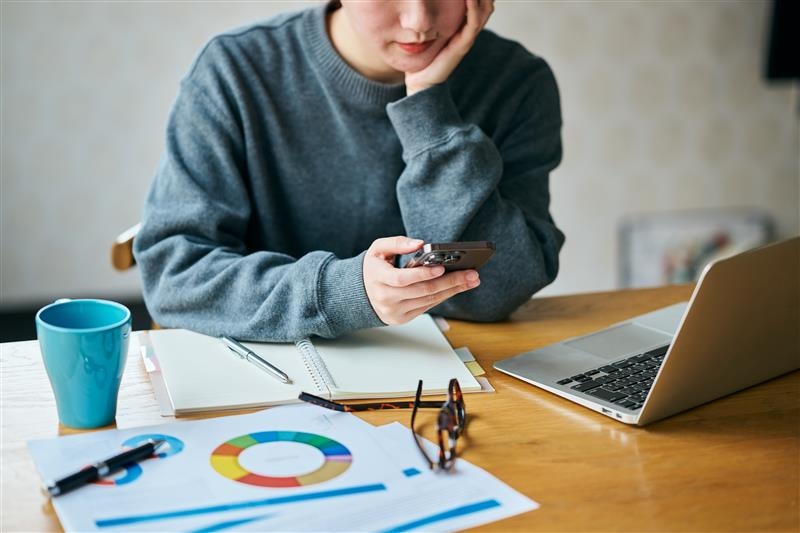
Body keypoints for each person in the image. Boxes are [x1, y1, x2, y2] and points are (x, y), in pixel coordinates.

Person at [133, 0, 564, 342]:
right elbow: (176, 277)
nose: (419, 20)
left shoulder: (518, 82)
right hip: (264, 373)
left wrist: (428, 111)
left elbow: (501, 288)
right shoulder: (235, 69)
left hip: (449, 382)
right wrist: (344, 292)